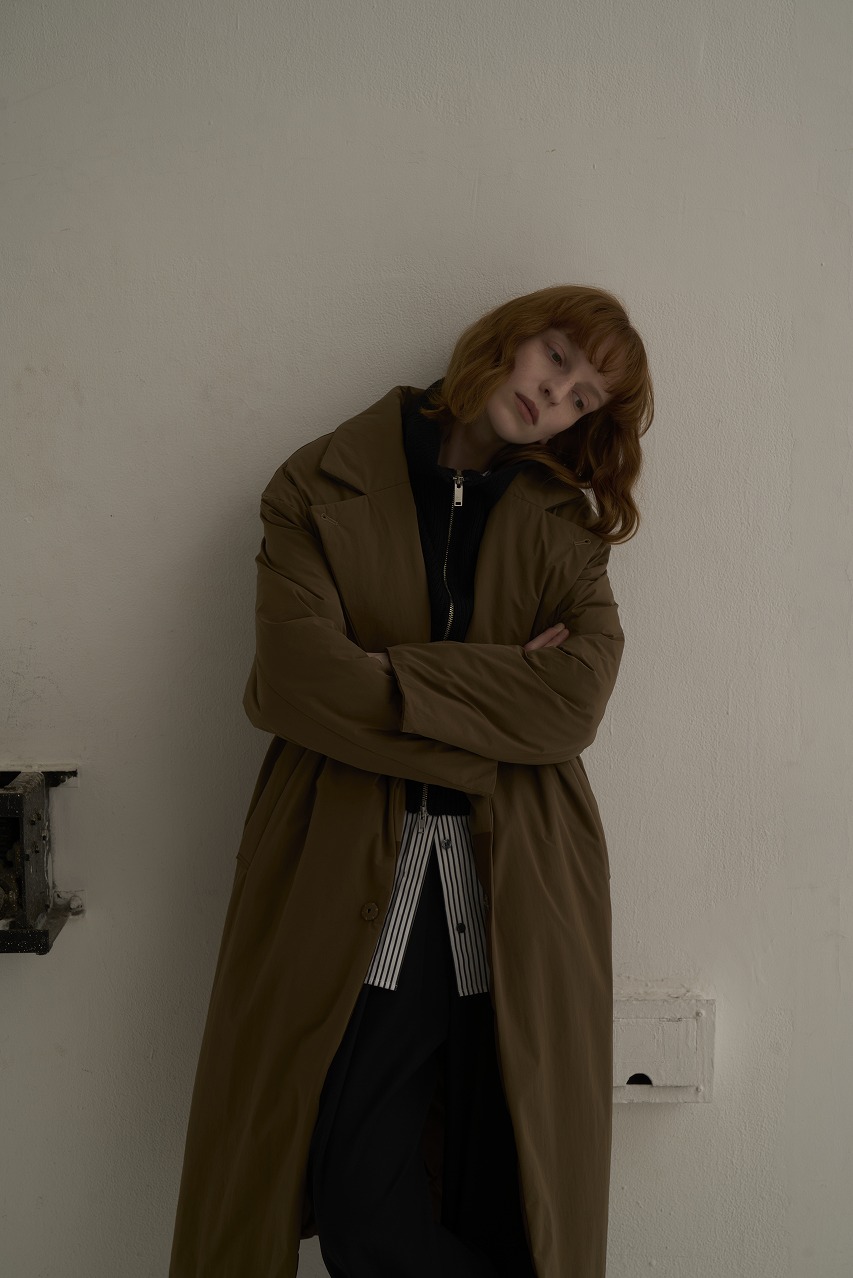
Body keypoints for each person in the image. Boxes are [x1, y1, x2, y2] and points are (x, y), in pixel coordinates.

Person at [168, 283, 654, 1278]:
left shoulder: (565, 527)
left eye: (581, 399)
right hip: (349, 871)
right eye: (556, 359)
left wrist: (384, 674)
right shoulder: (318, 482)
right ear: (511, 338)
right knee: (359, 1203)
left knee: (511, 1204)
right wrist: (496, 714)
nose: (554, 397)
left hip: (520, 890)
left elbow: (571, 706)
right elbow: (294, 682)